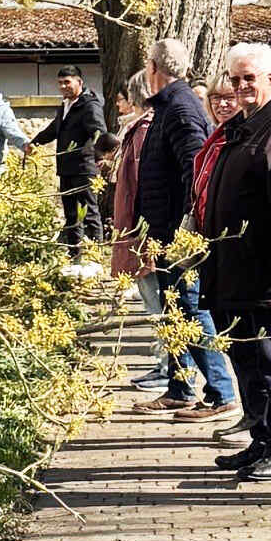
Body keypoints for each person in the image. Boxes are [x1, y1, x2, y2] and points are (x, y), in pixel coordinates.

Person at [202, 43, 271, 483]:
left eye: (250, 78)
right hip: (234, 273)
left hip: (266, 279)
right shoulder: (243, 128)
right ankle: (262, 437)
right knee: (247, 361)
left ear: (270, 79)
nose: (242, 86)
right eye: (236, 78)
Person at [132, 37, 237, 421]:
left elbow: (196, 167)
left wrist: (183, 225)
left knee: (187, 308)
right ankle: (179, 387)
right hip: (164, 229)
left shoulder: (179, 108)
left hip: (180, 233)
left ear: (152, 67)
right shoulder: (170, 106)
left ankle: (221, 392)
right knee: (172, 309)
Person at [186, 75, 252, 439]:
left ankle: (257, 420)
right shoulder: (215, 139)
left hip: (238, 252)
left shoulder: (240, 136)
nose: (223, 104)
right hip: (213, 249)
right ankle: (248, 413)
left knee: (249, 347)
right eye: (216, 99)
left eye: (230, 98)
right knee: (236, 346)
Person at [104, 73, 169, 394]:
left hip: (142, 231)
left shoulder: (144, 131)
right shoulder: (136, 131)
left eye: (123, 99)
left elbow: (141, 186)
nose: (118, 106)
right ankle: (166, 364)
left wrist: (138, 234)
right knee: (153, 299)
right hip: (136, 228)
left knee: (157, 301)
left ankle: (168, 367)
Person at [30, 66, 106, 245]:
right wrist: (34, 143)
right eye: (60, 83)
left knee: (89, 213)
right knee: (71, 216)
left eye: (67, 82)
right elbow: (54, 129)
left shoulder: (89, 105)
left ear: (79, 82)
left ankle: (97, 254)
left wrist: (102, 157)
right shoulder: (65, 105)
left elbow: (99, 132)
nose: (63, 86)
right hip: (66, 169)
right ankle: (75, 255)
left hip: (84, 169)